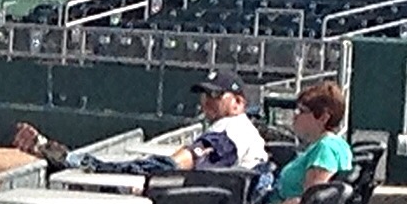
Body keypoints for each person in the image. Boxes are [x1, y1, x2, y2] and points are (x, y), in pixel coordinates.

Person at [15, 71, 268, 176]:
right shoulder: (241, 129)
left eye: (215, 95)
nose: (206, 102)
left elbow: (175, 165)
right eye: (204, 95)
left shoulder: (232, 130)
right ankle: (59, 154)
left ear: (238, 103)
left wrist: (126, 172)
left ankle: (60, 155)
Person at [257, 79, 352, 204]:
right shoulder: (337, 145)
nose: (295, 115)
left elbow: (309, 203)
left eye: (302, 111)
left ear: (323, 117)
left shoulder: (325, 149)